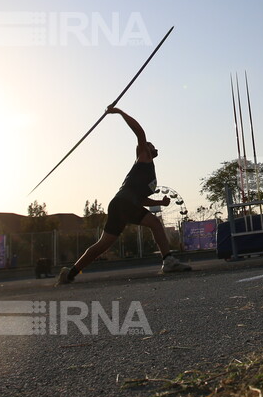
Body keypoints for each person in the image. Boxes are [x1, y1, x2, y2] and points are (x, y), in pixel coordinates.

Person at [57, 106, 191, 284]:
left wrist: (161, 202)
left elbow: (141, 199)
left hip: (122, 204)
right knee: (155, 224)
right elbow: (140, 132)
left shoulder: (149, 172)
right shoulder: (144, 158)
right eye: (149, 145)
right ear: (145, 149)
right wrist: (119, 112)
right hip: (123, 203)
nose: (152, 146)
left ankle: (70, 273)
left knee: (103, 244)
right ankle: (168, 261)